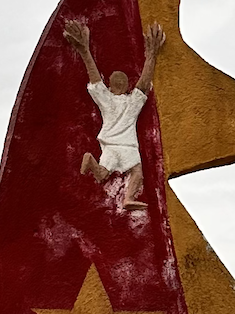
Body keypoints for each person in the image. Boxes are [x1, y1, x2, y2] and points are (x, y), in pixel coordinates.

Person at [62, 19, 164, 209]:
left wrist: (84, 50)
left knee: (102, 174)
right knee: (137, 171)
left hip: (108, 144)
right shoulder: (132, 102)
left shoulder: (106, 99)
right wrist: (152, 54)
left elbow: (94, 80)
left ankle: (92, 162)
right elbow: (143, 83)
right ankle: (128, 198)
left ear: (110, 86)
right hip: (127, 145)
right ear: (126, 87)